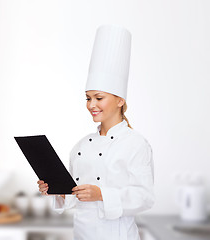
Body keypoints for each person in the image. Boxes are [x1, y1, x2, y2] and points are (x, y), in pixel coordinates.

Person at [37, 25, 155, 240]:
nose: (91, 104)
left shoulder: (135, 143)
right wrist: (57, 190)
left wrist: (102, 194)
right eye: (88, 98)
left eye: (98, 98)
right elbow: (74, 196)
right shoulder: (81, 146)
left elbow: (145, 197)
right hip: (82, 233)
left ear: (120, 100)